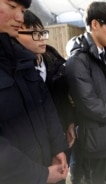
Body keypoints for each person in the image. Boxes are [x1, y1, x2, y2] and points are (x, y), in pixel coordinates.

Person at [0, 0, 68, 183]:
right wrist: (39, 175)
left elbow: (45, 106)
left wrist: (57, 147)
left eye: (22, 10)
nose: (19, 17)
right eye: (12, 6)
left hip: (47, 164)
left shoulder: (22, 59)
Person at [65, 2, 106, 184]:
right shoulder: (78, 60)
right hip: (94, 137)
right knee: (94, 177)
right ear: (95, 24)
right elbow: (88, 103)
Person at [16, 10, 76, 183]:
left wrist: (70, 123)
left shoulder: (54, 61)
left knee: (62, 174)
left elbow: (64, 98)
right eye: (35, 34)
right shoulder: (15, 72)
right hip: (34, 146)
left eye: (42, 32)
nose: (42, 38)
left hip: (60, 135)